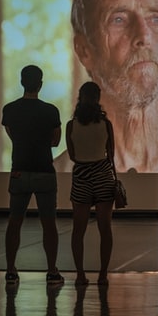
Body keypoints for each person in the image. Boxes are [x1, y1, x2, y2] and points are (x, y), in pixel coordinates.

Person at [55, 0, 158, 174]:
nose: (144, 36)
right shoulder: (60, 177)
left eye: (156, 18)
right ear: (84, 50)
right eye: (118, 19)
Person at [2, 64, 64, 287]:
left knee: (14, 222)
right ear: (40, 84)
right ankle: (51, 271)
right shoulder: (51, 111)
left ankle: (10, 270)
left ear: (22, 82)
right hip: (44, 172)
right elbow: (56, 141)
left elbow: (12, 135)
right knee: (49, 224)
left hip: (19, 171)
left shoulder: (9, 110)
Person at [65, 81, 116, 287]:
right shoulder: (106, 125)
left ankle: (80, 274)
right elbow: (111, 155)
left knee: (79, 229)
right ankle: (103, 274)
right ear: (97, 99)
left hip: (82, 176)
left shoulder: (71, 125)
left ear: (80, 98)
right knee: (105, 228)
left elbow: (72, 155)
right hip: (103, 175)